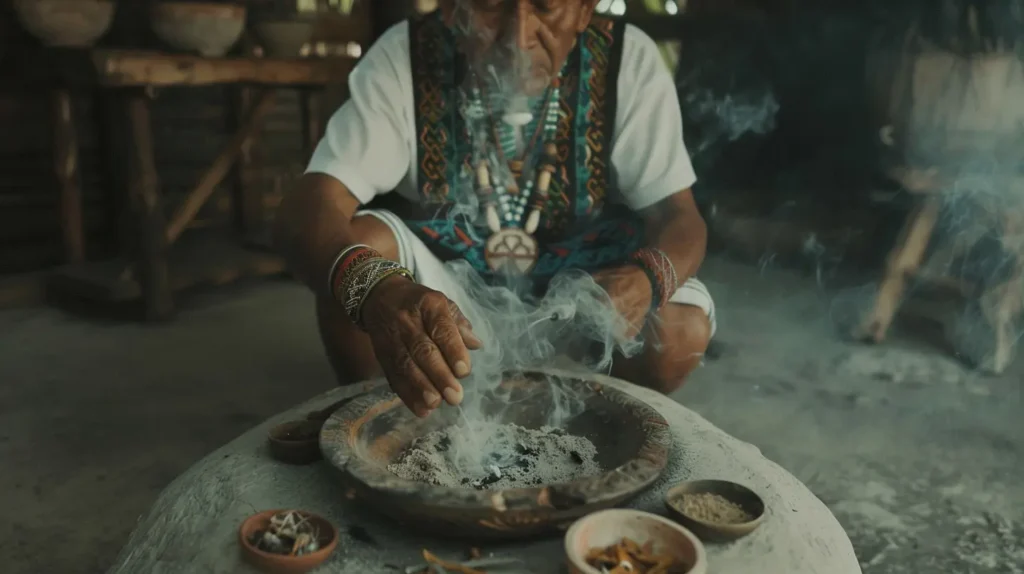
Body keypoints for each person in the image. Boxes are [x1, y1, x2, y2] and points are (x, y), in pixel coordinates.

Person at [274, 0, 715, 418]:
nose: (517, 38)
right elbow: (312, 204)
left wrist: (647, 280)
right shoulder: (406, 55)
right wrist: (376, 290)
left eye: (545, 5)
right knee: (355, 251)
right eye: (488, 4)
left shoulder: (625, 59)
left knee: (680, 329)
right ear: (452, 7)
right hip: (446, 307)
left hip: (586, 302)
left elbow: (679, 216)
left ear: (583, 9)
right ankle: (388, 414)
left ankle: (597, 417)